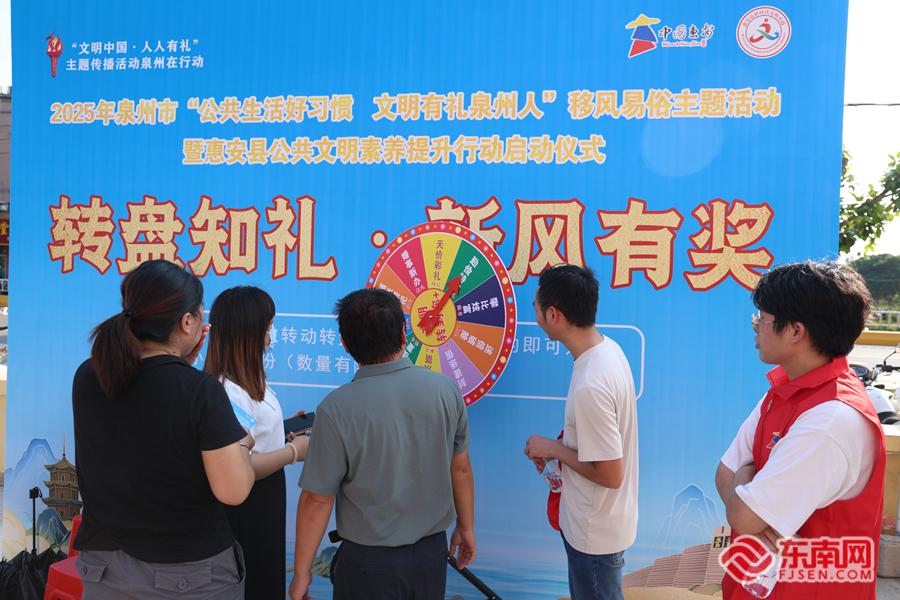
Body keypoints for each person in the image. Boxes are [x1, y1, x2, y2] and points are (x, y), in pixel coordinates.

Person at [72, 259, 255, 599]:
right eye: (200, 315)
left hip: (103, 571)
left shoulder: (88, 375)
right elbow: (234, 491)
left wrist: (178, 363)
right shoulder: (199, 390)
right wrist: (243, 444)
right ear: (187, 322)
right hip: (188, 576)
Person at [288, 288, 476, 600]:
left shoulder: (336, 409)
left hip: (367, 565)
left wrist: (302, 572)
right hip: (430, 557)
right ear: (404, 333)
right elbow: (461, 468)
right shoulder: (445, 390)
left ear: (345, 344)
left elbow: (317, 500)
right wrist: (466, 527)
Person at [716, 261, 885, 599]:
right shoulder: (784, 390)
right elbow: (724, 474)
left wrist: (747, 493)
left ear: (795, 331)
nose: (756, 328)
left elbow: (742, 517)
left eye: (762, 319)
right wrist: (748, 501)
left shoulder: (831, 420)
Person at [524, 264, 638, 600]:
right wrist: (559, 448)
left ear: (554, 315)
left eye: (536, 308)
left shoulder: (591, 382)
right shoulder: (607, 350)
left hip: (594, 534)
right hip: (603, 524)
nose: (535, 314)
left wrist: (554, 450)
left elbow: (610, 473)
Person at [204, 286, 310, 599]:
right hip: (247, 506)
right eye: (269, 325)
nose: (272, 333)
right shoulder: (227, 391)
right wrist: (293, 452)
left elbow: (252, 437)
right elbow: (238, 463)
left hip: (265, 500)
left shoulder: (249, 380)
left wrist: (282, 430)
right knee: (253, 582)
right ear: (249, 331)